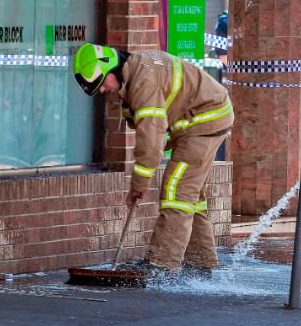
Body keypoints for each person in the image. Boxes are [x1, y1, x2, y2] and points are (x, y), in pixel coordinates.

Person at [73, 43, 234, 278]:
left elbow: (151, 138)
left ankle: (162, 265)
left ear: (112, 67)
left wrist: (139, 184)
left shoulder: (142, 82)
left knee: (176, 190)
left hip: (204, 121)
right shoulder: (134, 71)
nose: (103, 90)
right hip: (201, 119)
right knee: (189, 194)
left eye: (102, 83)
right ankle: (200, 262)